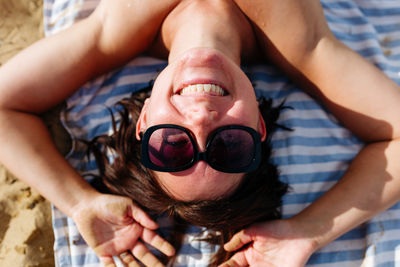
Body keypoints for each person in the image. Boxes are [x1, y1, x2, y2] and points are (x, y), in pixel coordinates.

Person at [0, 0, 400, 266]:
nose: (202, 119)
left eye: (172, 146)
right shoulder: (301, 42)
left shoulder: (113, 32)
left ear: (143, 124)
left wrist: (79, 203)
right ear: (258, 126)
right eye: (229, 147)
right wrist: (310, 232)